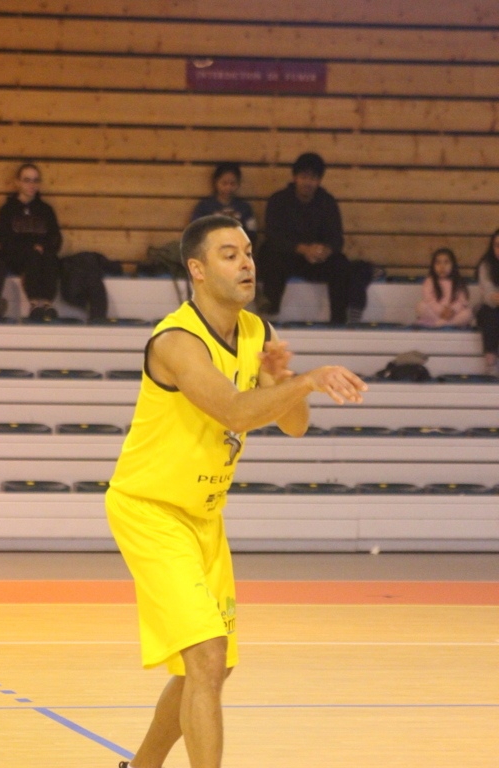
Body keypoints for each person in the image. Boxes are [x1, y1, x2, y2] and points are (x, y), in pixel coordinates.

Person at [105, 214, 367, 768]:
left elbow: (295, 425)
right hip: (151, 509)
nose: (246, 263)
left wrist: (284, 382)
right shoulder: (176, 341)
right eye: (229, 254)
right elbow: (233, 411)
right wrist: (307, 379)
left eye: (247, 252)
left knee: (212, 667)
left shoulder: (256, 332)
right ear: (197, 270)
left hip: (204, 517)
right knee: (205, 657)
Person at [256, 152, 373, 324]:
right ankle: (269, 312)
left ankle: (339, 320)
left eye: (313, 178)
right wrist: (302, 249)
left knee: (340, 264)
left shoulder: (327, 202)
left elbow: (337, 239)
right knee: (269, 253)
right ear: (295, 177)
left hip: (316, 262)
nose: (308, 182)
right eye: (304, 177)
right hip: (286, 257)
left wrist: (325, 251)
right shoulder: (279, 200)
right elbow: (273, 236)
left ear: (319, 180)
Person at [0, 162, 62, 320]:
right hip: (17, 256)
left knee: (49, 257)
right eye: (27, 180)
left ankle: (47, 303)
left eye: (35, 180)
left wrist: (44, 247)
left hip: (43, 254)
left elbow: (56, 236)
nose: (32, 185)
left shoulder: (46, 210)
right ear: (17, 182)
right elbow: (4, 238)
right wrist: (29, 248)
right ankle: (34, 303)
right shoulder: (7, 210)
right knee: (33, 256)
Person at [190, 162, 257, 247]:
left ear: (238, 184)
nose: (228, 187)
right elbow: (195, 231)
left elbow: (252, 233)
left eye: (233, 184)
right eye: (224, 183)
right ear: (216, 182)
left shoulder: (245, 208)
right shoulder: (204, 206)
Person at [416, 247, 472, 328]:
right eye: (438, 263)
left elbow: (462, 301)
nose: (442, 267)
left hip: (452, 315)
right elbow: (429, 300)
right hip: (436, 314)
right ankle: (443, 323)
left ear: (453, 265)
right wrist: (441, 311)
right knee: (421, 306)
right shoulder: (430, 281)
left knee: (468, 313)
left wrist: (452, 310)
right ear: (433, 265)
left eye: (446, 262)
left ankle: (439, 324)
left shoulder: (458, 281)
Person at [476, 228, 499, 376]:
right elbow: (487, 293)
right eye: (497, 245)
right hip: (492, 308)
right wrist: (493, 298)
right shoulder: (486, 266)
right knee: (490, 314)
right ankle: (490, 363)